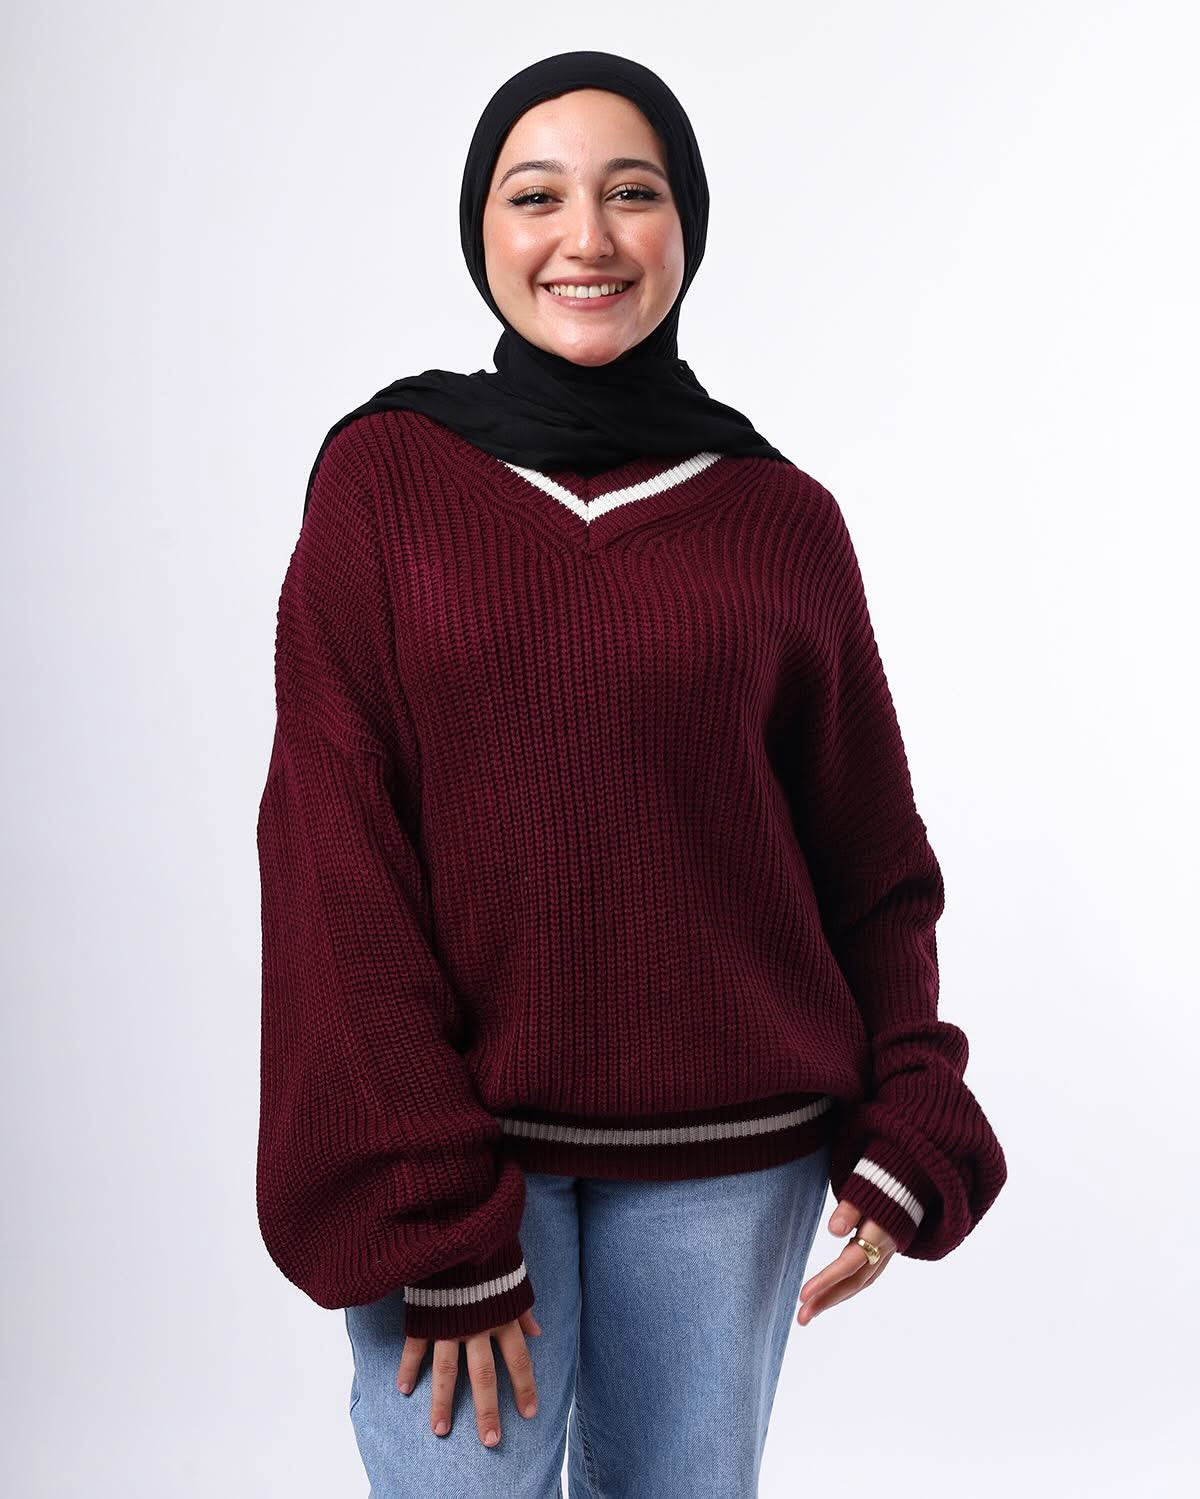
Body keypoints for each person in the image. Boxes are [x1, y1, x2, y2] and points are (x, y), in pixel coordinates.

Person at [254, 50, 1008, 1499]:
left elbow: (869, 863)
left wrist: (909, 1102)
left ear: (688, 225)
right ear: (482, 227)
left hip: (732, 1156)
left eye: (633, 193)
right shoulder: (382, 483)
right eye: (537, 195)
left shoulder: (782, 518)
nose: (586, 238)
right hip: (452, 1148)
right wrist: (432, 1207)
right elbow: (334, 855)